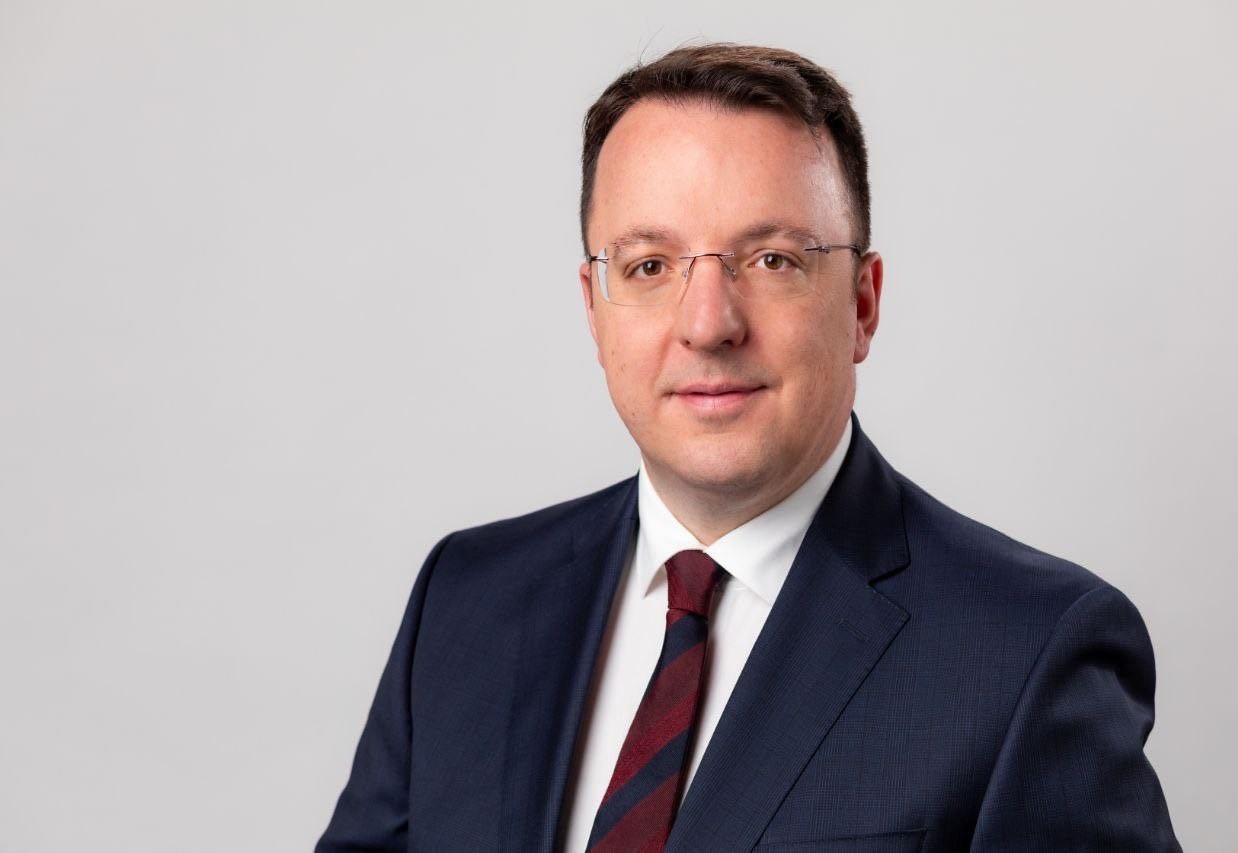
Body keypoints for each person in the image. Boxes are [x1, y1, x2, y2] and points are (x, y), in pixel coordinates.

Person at [317, 43, 1180, 851]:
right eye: (649, 265)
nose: (709, 324)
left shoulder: (1027, 651)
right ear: (593, 308)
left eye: (772, 260)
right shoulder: (466, 601)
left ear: (863, 304)